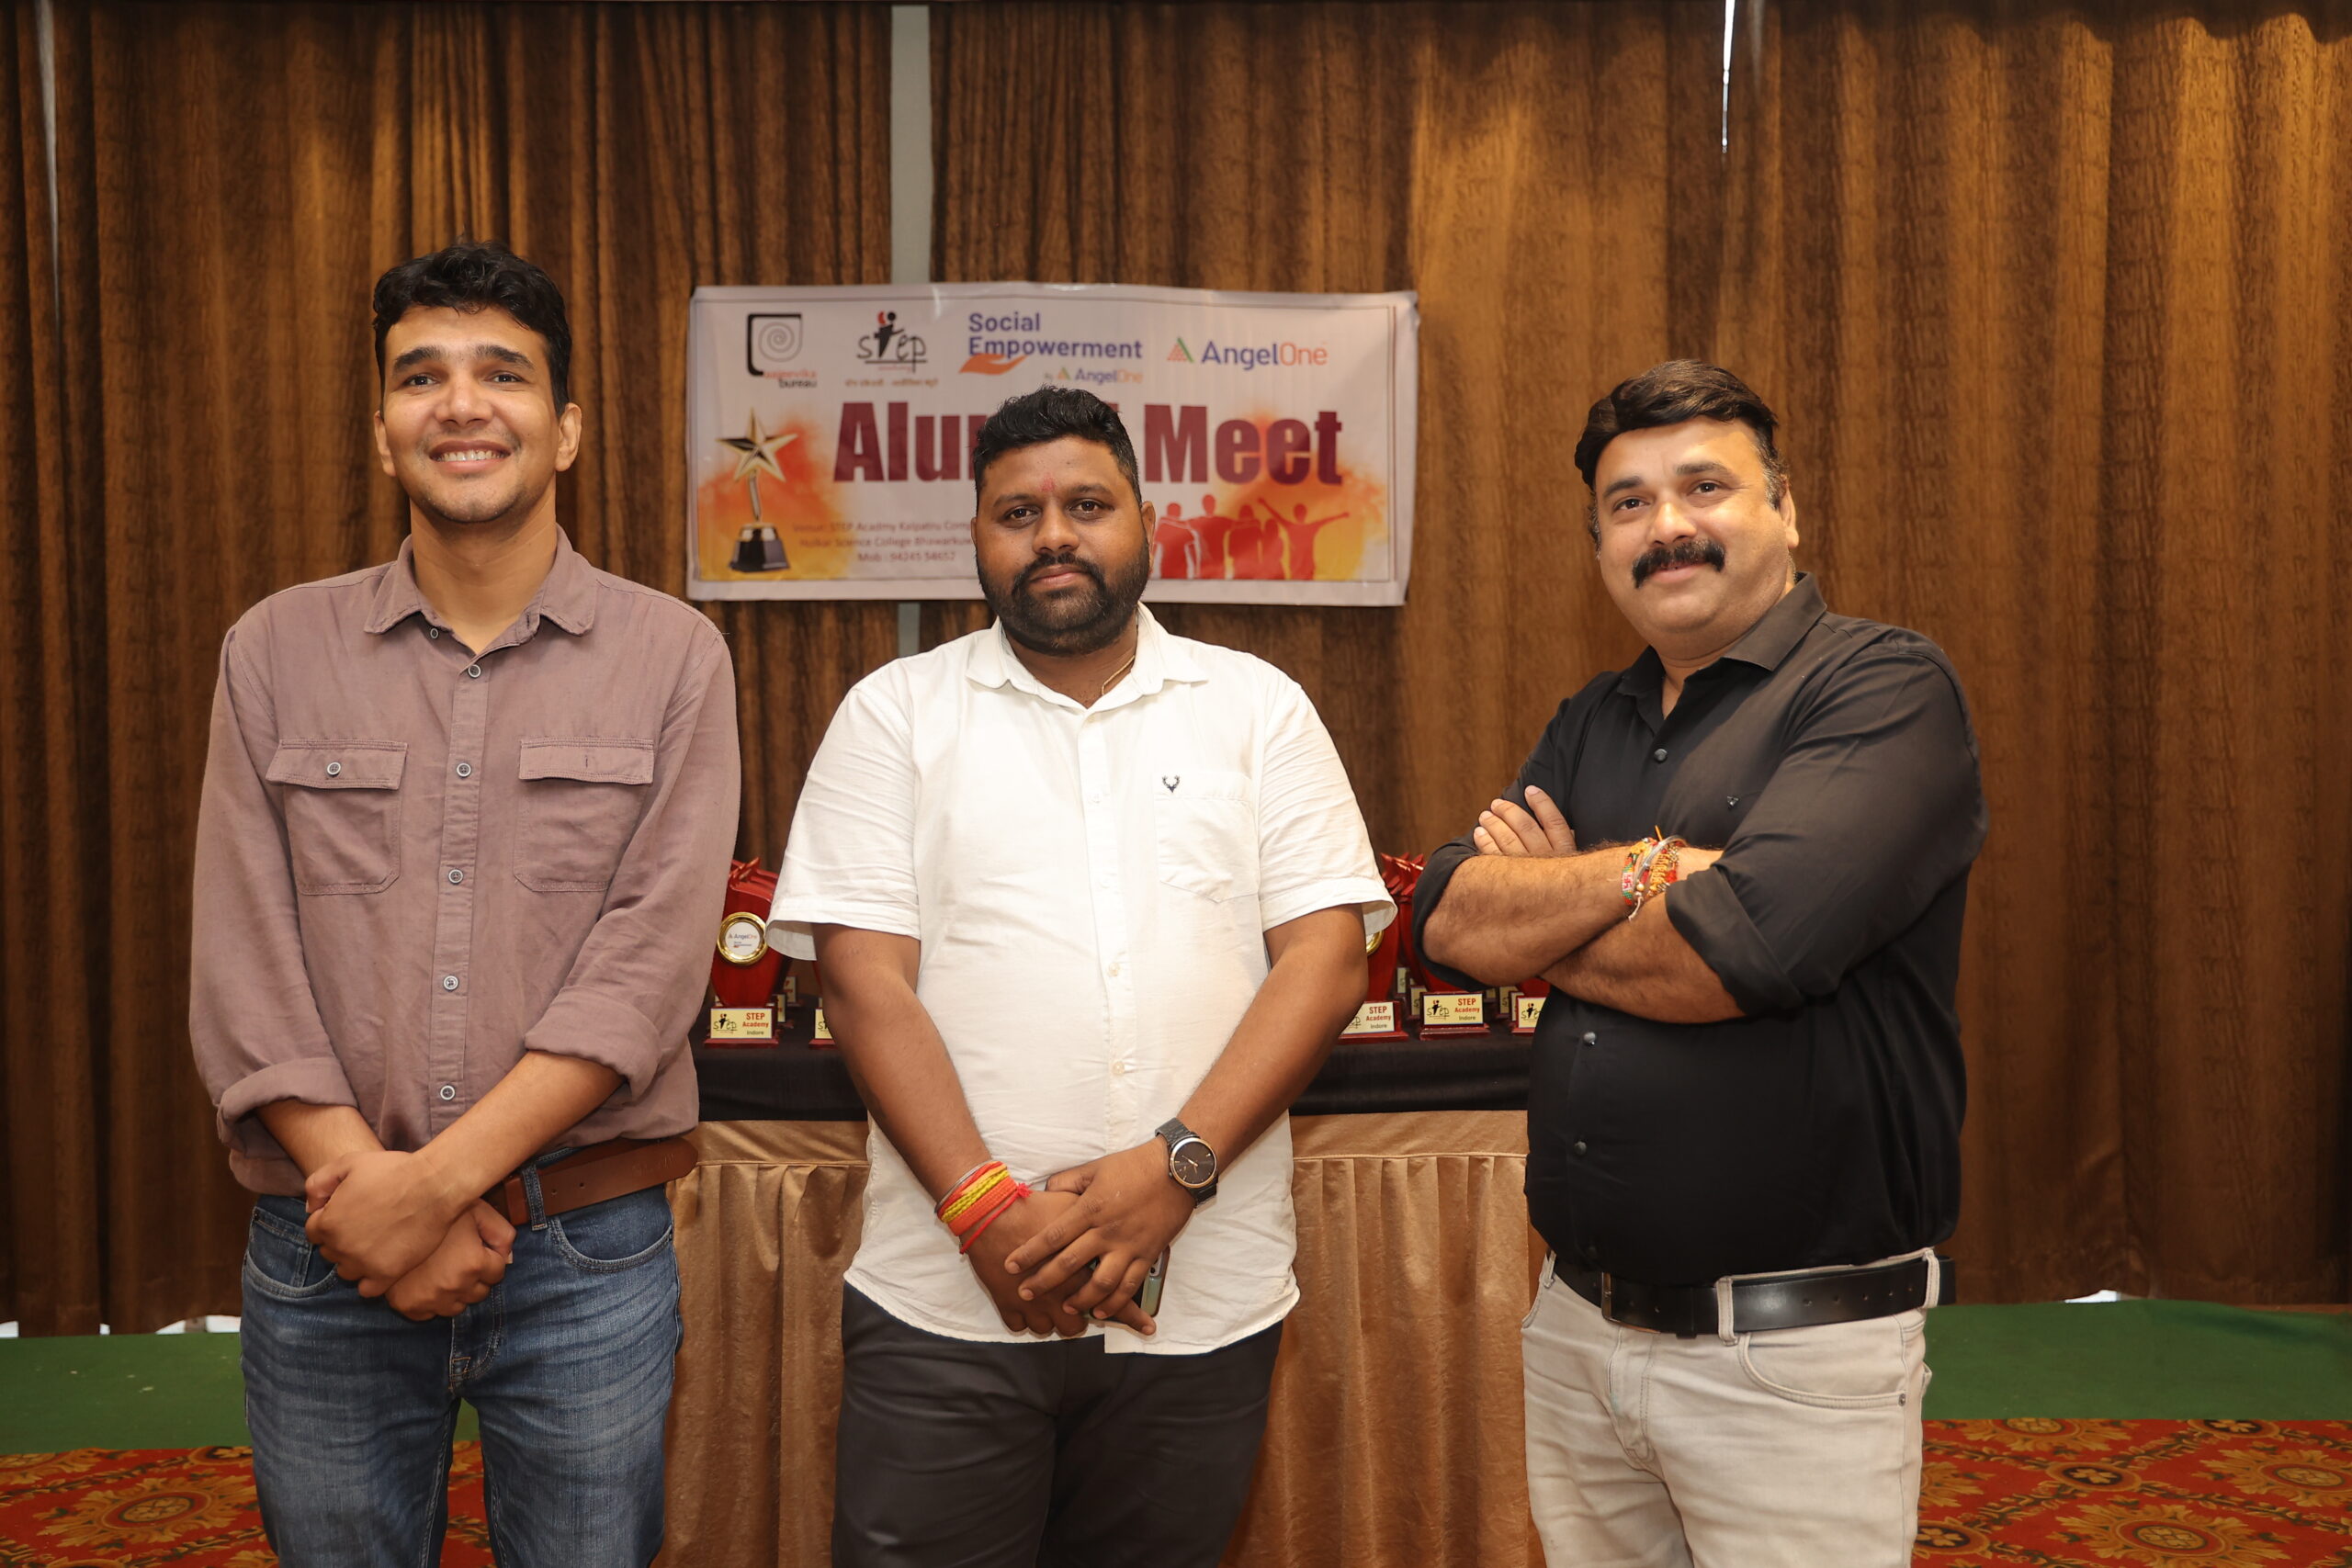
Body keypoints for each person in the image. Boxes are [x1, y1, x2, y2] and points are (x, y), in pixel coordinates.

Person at [189, 240, 741, 1567]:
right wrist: (367, 1201)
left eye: (503, 373)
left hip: (584, 1253)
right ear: (382, 431)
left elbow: (649, 969)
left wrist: (426, 1190)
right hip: (326, 1245)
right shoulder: (275, 649)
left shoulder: (675, 656)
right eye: (420, 376)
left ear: (567, 429)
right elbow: (243, 953)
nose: (461, 404)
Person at [770, 385, 1387, 1568]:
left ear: (1149, 523)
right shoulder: (894, 714)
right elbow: (861, 982)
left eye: (1087, 506)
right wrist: (983, 1211)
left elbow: (1325, 961)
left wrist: (1176, 1170)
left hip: (1202, 1300)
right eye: (1018, 513)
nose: (1053, 535)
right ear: (977, 540)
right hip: (950, 1300)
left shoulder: (1258, 709)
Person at [1416, 361, 1985, 1566]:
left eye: (1704, 487)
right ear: (1599, 546)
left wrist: (1553, 917)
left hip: (1788, 1365)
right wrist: (1657, 868)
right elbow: (1454, 923)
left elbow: (1731, 961)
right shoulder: (1593, 718)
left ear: (1787, 509)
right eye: (1627, 504)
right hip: (1579, 1337)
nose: (1666, 525)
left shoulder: (1883, 689)